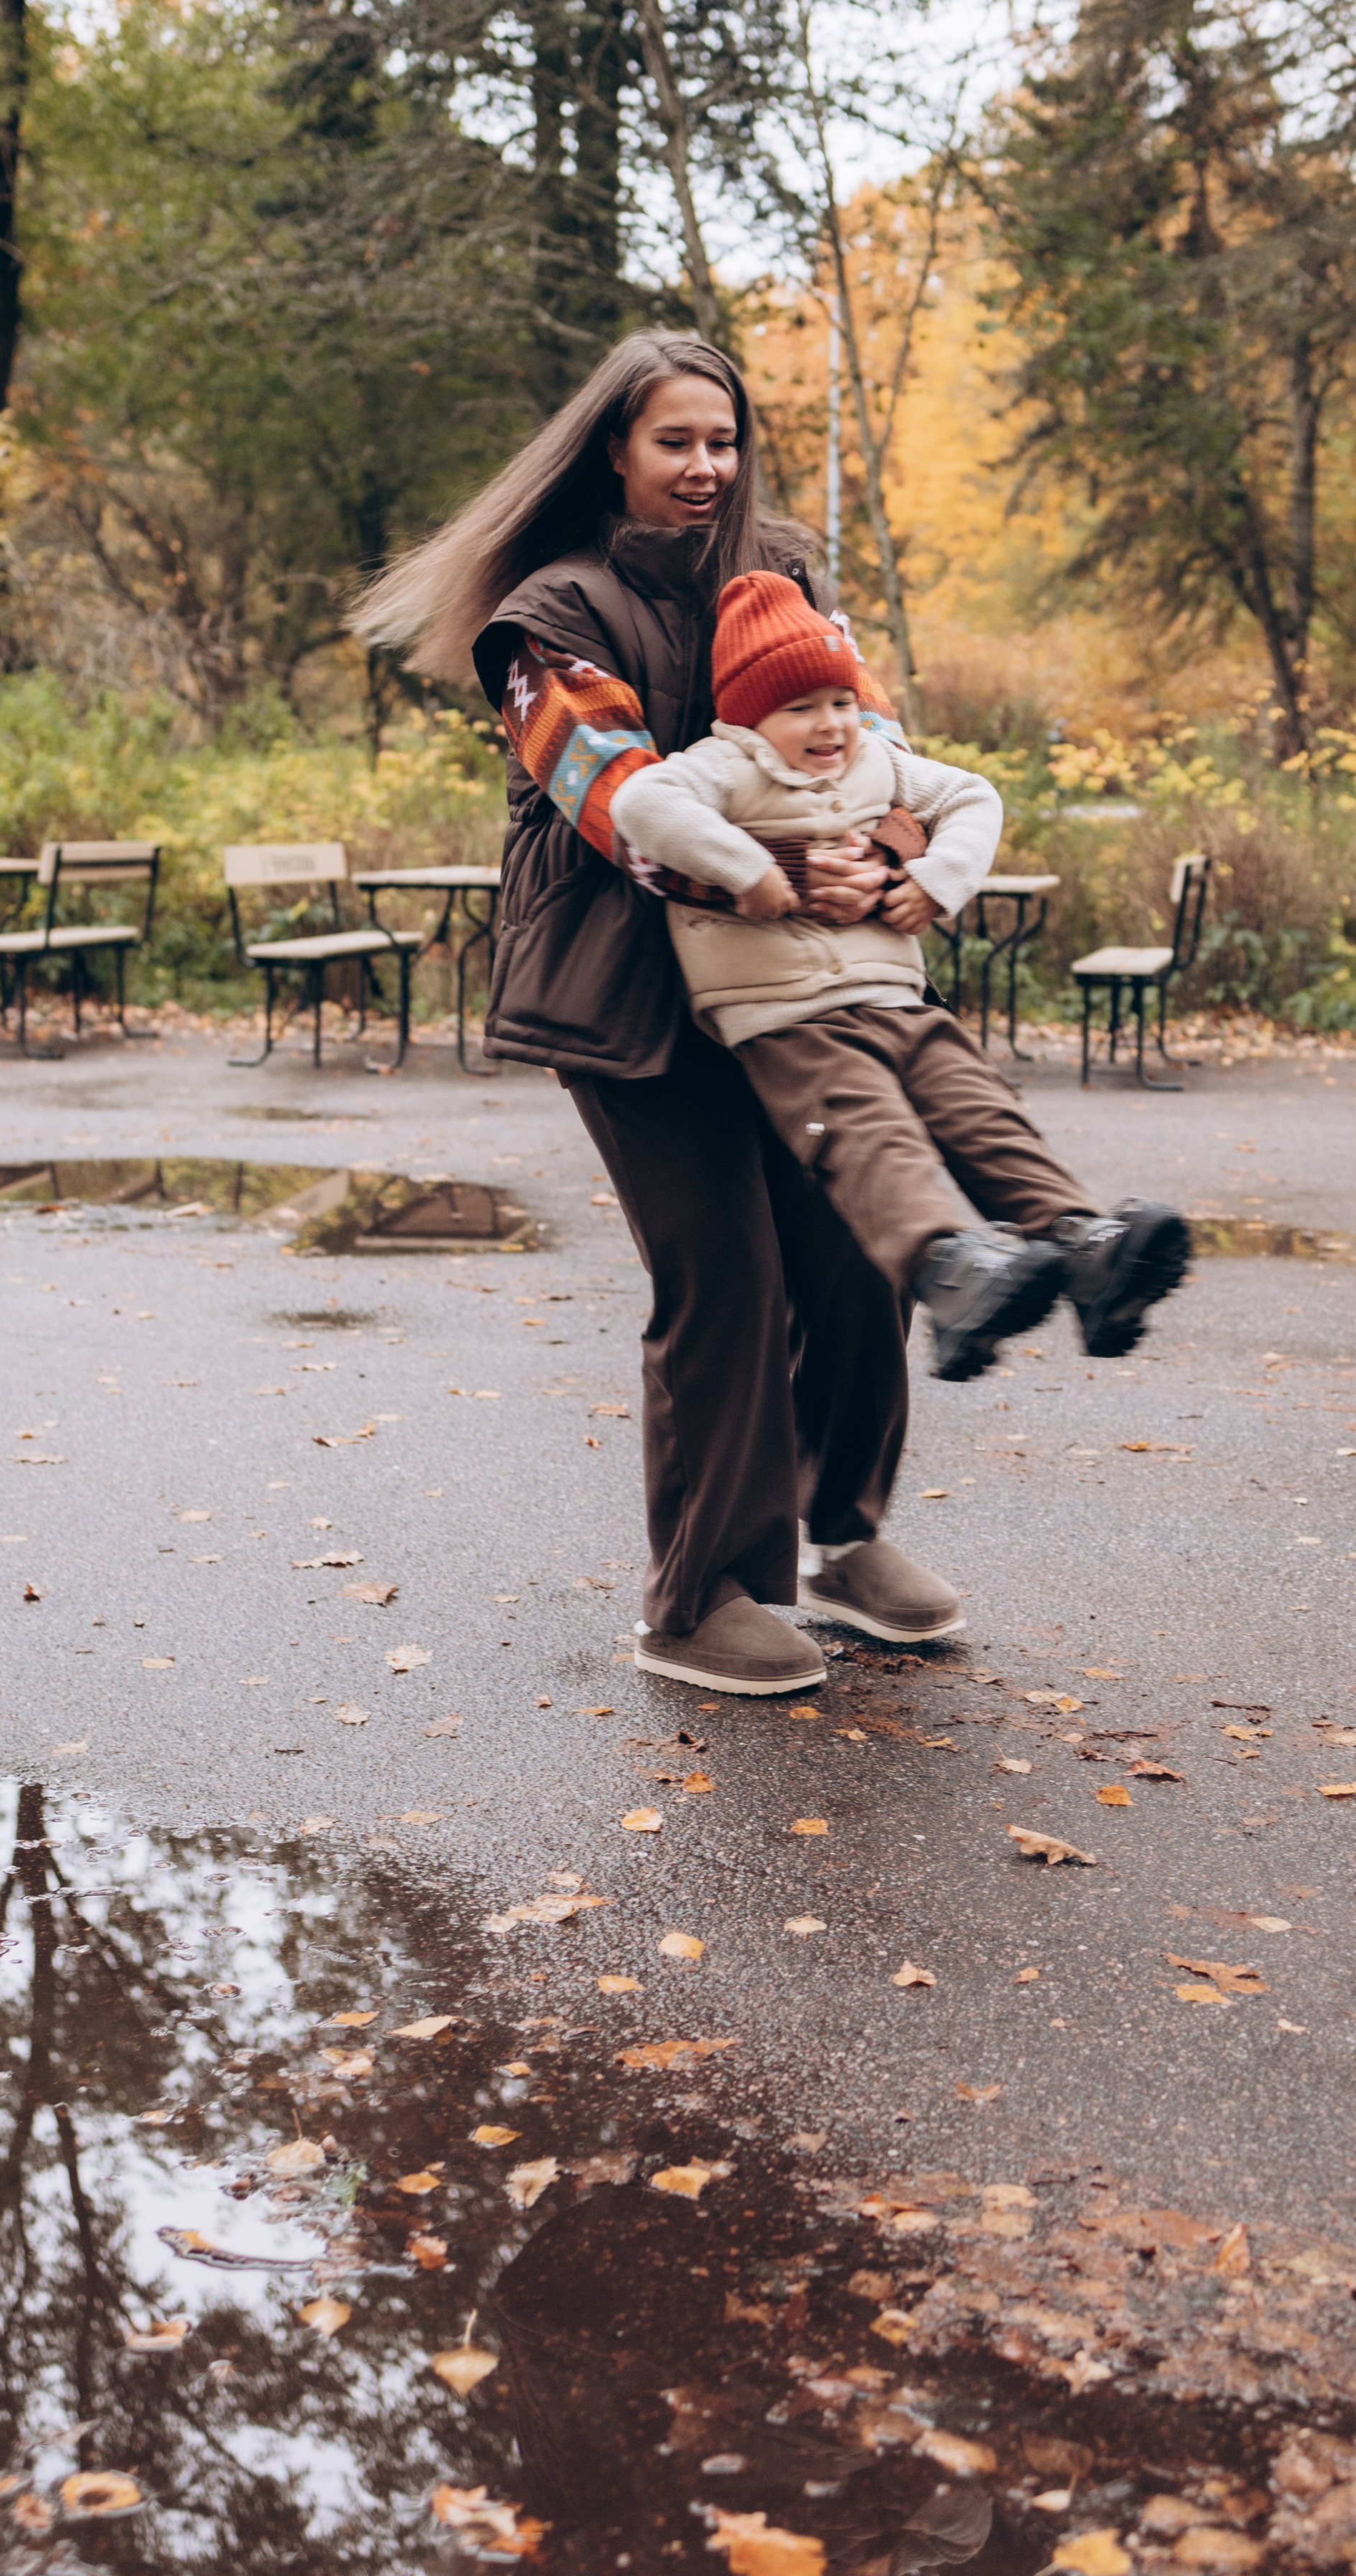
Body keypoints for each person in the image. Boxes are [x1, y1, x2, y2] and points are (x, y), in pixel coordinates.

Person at [353, 329, 964, 1693]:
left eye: (724, 439)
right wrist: (801, 865)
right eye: (675, 441)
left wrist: (905, 838)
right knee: (727, 1277)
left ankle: (841, 1534)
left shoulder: (790, 572)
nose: (706, 466)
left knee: (860, 1248)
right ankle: (696, 1598)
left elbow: (863, 744)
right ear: (614, 454)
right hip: (629, 989)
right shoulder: (543, 616)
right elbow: (615, 798)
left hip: (794, 981)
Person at [610, 569, 1191, 1377]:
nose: (829, 726)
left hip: (897, 997)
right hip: (789, 1015)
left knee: (981, 1107)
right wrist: (746, 867)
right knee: (869, 1130)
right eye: (799, 708)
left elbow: (974, 796)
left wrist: (935, 880)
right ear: (748, 714)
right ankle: (946, 1268)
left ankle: (1078, 1243)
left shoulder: (877, 764)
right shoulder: (723, 766)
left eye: (841, 702)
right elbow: (640, 807)